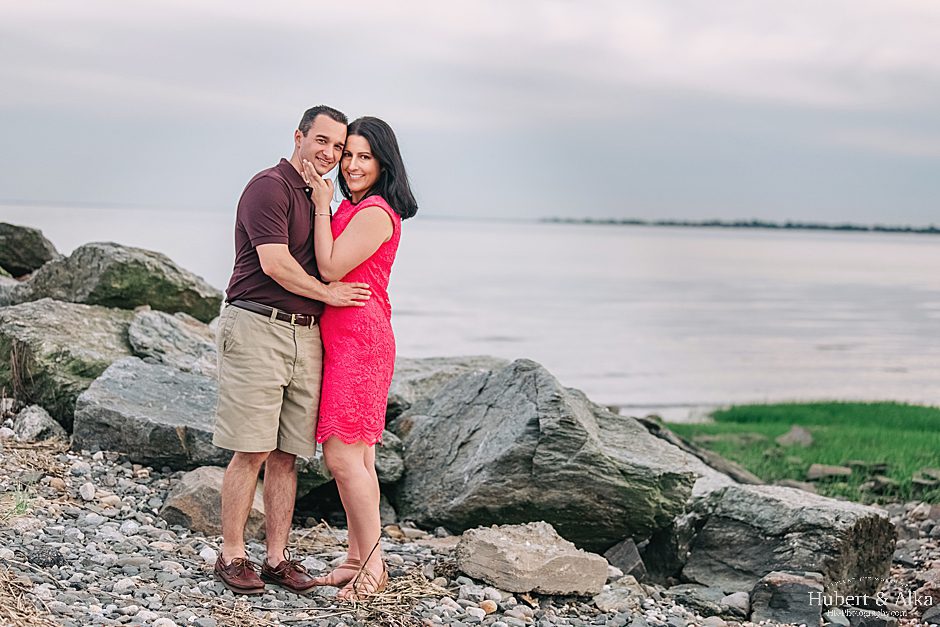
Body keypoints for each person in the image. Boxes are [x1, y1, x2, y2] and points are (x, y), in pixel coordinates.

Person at [212, 105, 372, 595]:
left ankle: (277, 559)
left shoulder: (319, 195)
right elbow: (275, 263)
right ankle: (232, 555)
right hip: (258, 325)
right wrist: (331, 295)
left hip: (307, 335)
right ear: (299, 136)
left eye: (339, 147)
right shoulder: (269, 187)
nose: (330, 154)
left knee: (288, 455)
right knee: (252, 449)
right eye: (321, 141)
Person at [300, 116, 418, 601]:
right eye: (347, 154)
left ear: (383, 162)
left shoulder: (374, 211)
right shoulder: (360, 207)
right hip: (348, 338)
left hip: (361, 340)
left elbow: (329, 267)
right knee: (360, 457)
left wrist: (322, 205)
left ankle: (372, 568)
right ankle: (357, 559)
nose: (351, 164)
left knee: (344, 455)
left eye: (363, 156)